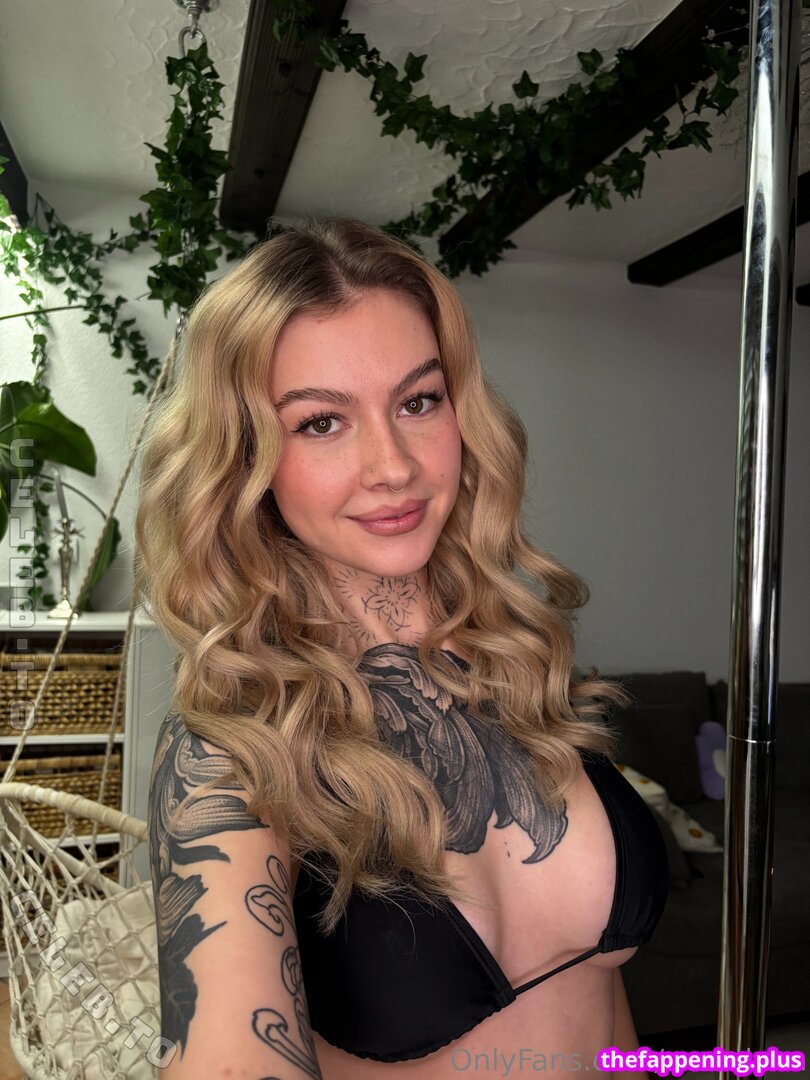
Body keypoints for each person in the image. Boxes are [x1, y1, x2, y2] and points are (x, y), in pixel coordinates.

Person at [135, 215, 669, 1080]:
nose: (393, 466)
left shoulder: (520, 664)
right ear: (245, 457)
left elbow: (608, 1017)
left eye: (418, 402)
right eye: (320, 422)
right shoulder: (235, 752)